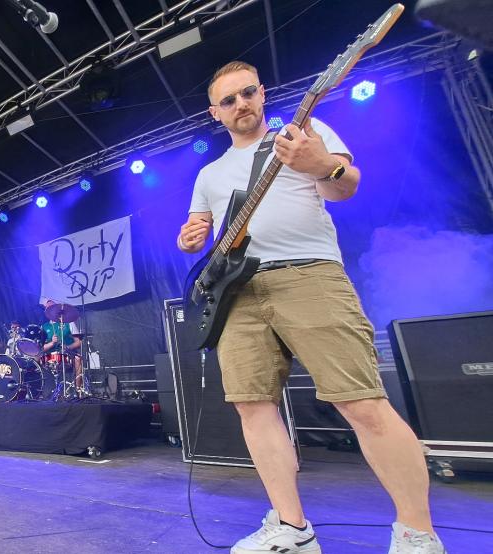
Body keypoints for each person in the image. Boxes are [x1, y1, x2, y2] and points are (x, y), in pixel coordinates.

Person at [177, 61, 442, 554]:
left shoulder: (304, 131)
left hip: (309, 274)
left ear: (263, 92)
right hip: (238, 295)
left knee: (361, 401)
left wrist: (319, 164)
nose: (241, 105)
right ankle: (292, 527)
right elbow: (200, 228)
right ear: (215, 113)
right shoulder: (209, 173)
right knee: (253, 409)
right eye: (229, 101)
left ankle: (416, 533)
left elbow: (344, 186)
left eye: (248, 93)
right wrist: (190, 237)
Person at [41, 299, 83, 386]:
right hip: (50, 356)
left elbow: (78, 342)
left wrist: (67, 347)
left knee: (78, 359)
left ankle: (78, 389)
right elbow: (41, 348)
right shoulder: (44, 327)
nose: (50, 309)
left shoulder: (69, 323)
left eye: (52, 307)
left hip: (67, 354)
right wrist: (52, 343)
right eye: (47, 308)